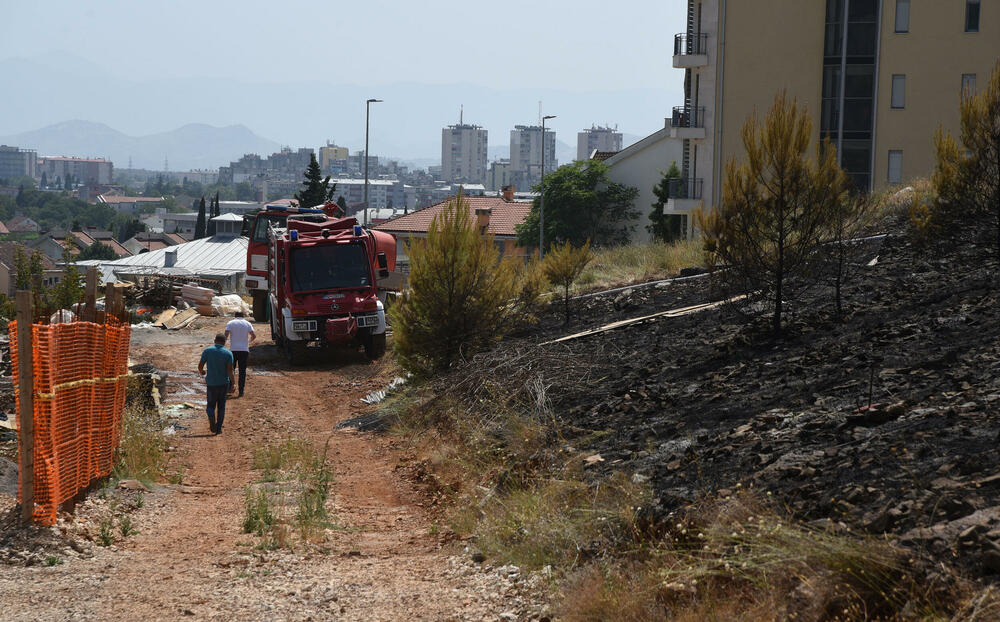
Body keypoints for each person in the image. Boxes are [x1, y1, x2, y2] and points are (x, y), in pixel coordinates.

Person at [198, 333, 235, 435]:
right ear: (224, 342)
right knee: (221, 406)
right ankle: (218, 428)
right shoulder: (228, 353)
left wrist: (202, 372)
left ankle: (211, 417)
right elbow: (230, 370)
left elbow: (200, 365)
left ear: (215, 340)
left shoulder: (207, 351)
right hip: (223, 383)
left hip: (211, 383)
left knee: (211, 404)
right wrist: (233, 384)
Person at [225, 311, 256, 397]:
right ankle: (241, 391)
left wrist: (223, 345)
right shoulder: (247, 323)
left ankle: (230, 388)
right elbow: (253, 335)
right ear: (243, 316)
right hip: (244, 350)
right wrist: (248, 342)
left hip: (233, 350)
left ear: (235, 316)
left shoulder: (230, 323)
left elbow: (226, 335)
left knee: (231, 369)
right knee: (242, 371)